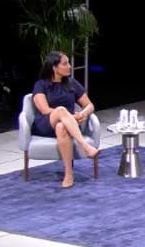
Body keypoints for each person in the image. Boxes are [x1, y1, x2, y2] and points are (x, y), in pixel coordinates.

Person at [31, 51, 100, 188]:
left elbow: (89, 105)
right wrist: (67, 115)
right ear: (54, 67)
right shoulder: (41, 85)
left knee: (61, 127)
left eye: (68, 63)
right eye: (65, 64)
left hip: (69, 125)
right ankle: (85, 146)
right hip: (46, 123)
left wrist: (83, 114)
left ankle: (69, 175)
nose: (69, 66)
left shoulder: (72, 83)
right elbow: (44, 110)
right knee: (61, 110)